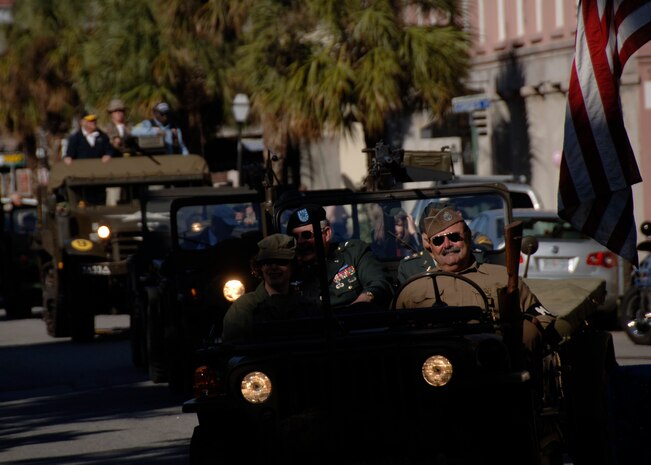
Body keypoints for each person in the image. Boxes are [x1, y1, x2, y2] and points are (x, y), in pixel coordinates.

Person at [394, 207, 567, 355]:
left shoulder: (502, 278)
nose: (447, 244)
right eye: (439, 240)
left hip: (496, 363)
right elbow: (395, 334)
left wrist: (530, 331)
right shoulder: (414, 289)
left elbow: (540, 316)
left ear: (468, 237)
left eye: (454, 237)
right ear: (429, 247)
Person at [287, 205, 393, 308]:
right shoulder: (288, 267)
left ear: (327, 233)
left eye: (306, 235)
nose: (300, 242)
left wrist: (360, 305)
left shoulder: (353, 253)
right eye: (295, 237)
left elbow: (379, 284)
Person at [222, 234, 317, 343]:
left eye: (281, 262)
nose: (273, 267)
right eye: (267, 262)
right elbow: (234, 352)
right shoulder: (243, 309)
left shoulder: (307, 307)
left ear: (293, 266)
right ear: (260, 267)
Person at [396, 203, 438, 284]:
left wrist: (414, 235)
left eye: (399, 224)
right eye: (428, 240)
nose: (446, 245)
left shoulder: (411, 242)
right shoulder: (408, 267)